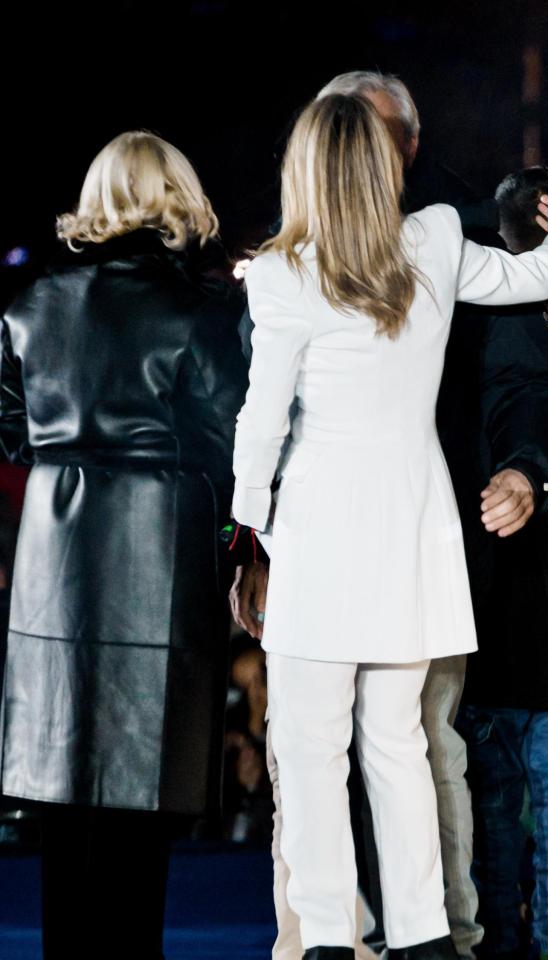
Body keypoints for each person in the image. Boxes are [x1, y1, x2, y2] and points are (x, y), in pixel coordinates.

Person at [232, 93, 548, 960]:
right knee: (399, 744)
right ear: (387, 166)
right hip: (412, 531)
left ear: (305, 171)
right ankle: (425, 936)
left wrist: (244, 532)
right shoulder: (429, 239)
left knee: (314, 751)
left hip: (317, 534)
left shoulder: (282, 275)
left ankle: (324, 939)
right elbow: (536, 277)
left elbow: (261, 422)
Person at [0, 131, 248, 958]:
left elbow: (10, 432)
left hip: (53, 561)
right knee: (142, 814)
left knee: (63, 809)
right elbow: (228, 443)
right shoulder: (204, 312)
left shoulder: (30, 304)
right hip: (158, 560)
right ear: (180, 199)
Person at [454, 165, 548, 960]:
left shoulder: (461, 314)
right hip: (541, 618)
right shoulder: (521, 322)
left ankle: (517, 944)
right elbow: (538, 403)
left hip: (499, 612)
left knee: (501, 799)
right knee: (547, 795)